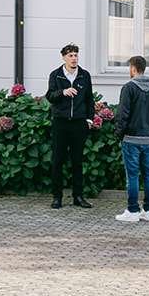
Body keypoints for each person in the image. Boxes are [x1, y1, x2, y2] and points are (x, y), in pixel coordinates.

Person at [45, 43, 95, 209]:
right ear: (64, 57)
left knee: (77, 161)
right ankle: (57, 197)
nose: (74, 58)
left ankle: (78, 196)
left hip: (79, 123)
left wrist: (89, 119)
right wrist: (63, 92)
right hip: (60, 122)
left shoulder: (84, 75)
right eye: (70, 55)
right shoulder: (56, 75)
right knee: (58, 160)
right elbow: (50, 96)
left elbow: (89, 99)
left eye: (75, 55)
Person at [114, 55, 149, 222]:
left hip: (131, 138)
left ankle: (132, 210)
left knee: (132, 176)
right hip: (148, 138)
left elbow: (123, 114)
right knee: (148, 175)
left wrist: (119, 133)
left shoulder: (128, 88)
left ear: (133, 68)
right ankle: (148, 210)